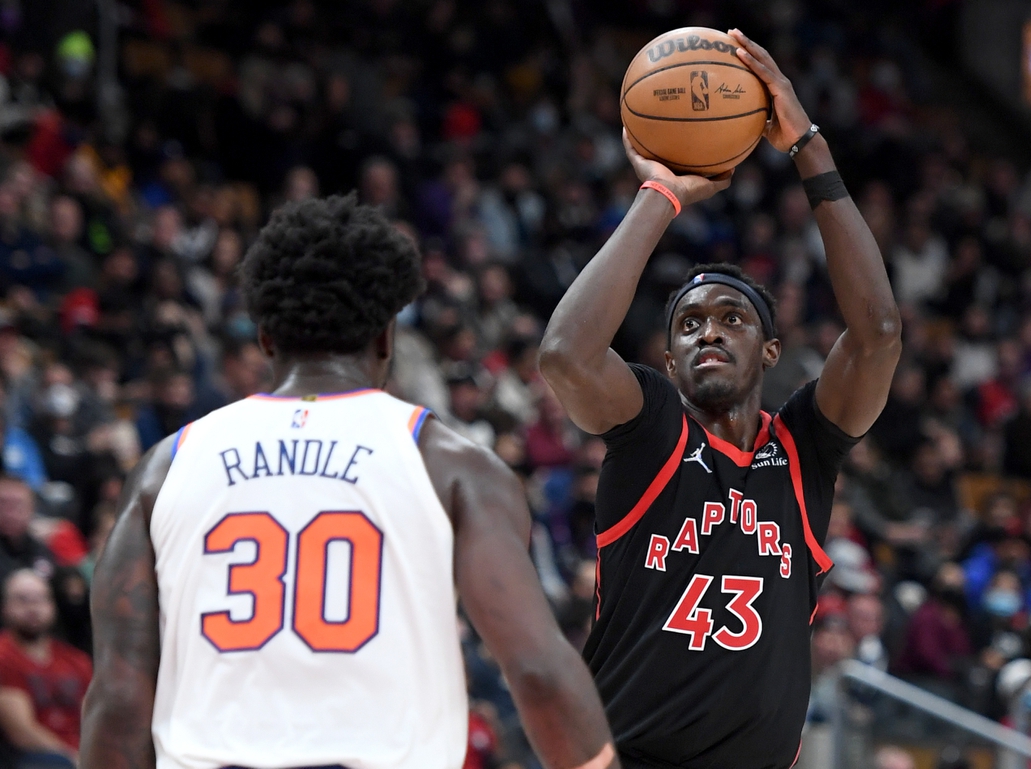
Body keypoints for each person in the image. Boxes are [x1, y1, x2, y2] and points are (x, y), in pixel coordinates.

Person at [81, 195, 619, 769]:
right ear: (386, 336)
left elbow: (117, 702)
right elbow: (537, 672)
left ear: (265, 337)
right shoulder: (453, 465)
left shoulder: (165, 468)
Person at [538, 30, 901, 769]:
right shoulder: (654, 429)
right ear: (668, 357)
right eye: (689, 323)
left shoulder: (803, 448)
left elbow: (880, 333)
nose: (709, 332)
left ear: (769, 350)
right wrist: (660, 193)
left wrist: (808, 146)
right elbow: (565, 355)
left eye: (732, 319)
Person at [0, 569, 92, 769]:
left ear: (52, 606)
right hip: (30, 758)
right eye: (22, 600)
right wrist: (74, 759)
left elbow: (92, 719)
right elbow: (21, 732)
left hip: (80, 755)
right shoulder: (3, 655)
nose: (33, 607)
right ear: (5, 607)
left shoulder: (76, 660)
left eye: (40, 599)